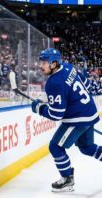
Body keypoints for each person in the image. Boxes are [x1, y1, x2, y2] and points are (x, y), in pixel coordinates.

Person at [31, 48, 102, 192]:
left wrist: (39, 108)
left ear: (54, 64)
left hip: (77, 119)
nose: (41, 65)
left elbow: (57, 114)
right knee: (87, 147)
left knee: (55, 147)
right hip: (89, 113)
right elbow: (86, 85)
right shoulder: (69, 67)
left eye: (44, 62)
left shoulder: (53, 83)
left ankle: (67, 179)